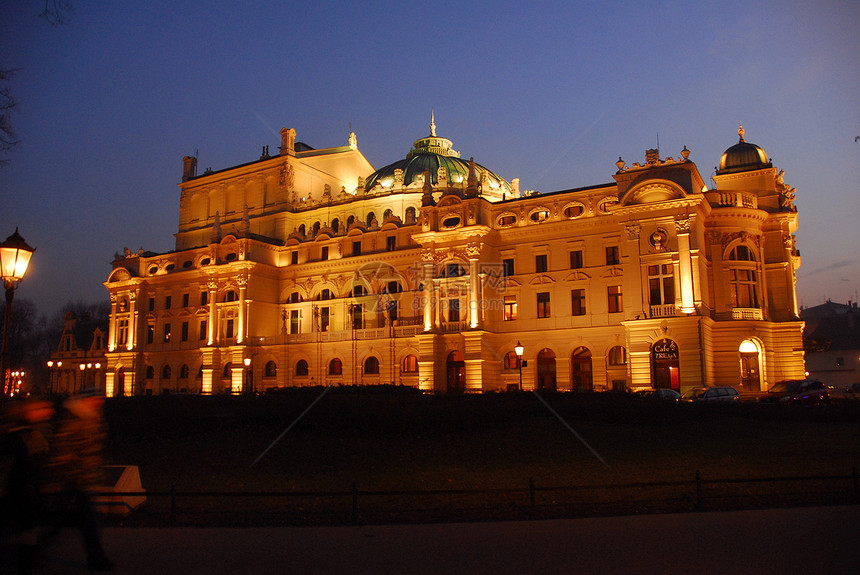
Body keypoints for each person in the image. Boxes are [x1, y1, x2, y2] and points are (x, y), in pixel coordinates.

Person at [45, 394, 115, 572]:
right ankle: (96, 559)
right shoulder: (77, 420)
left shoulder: (92, 418)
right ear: (86, 399)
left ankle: (96, 558)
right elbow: (65, 450)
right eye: (96, 398)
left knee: (78, 522)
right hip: (76, 481)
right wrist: (64, 476)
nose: (100, 401)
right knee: (83, 522)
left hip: (84, 480)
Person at [1, 399, 54, 575]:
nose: (47, 411)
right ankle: (25, 562)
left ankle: (26, 560)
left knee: (27, 527)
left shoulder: (22, 434)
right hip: (21, 488)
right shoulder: (21, 436)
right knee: (28, 527)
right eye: (39, 409)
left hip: (23, 487)